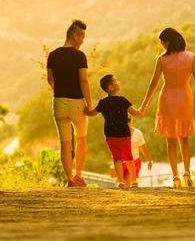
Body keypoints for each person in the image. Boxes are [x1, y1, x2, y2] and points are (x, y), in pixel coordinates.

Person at [140, 27, 195, 188]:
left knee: (170, 141)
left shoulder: (161, 60)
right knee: (184, 139)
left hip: (167, 99)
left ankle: (176, 178)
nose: (162, 45)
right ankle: (187, 173)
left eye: (162, 42)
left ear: (168, 42)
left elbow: (154, 83)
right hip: (185, 98)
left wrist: (144, 105)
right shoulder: (190, 56)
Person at [47, 20, 92, 187]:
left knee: (65, 143)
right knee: (81, 139)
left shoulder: (53, 55)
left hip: (58, 102)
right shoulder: (80, 56)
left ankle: (69, 179)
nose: (82, 41)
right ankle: (79, 175)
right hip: (77, 104)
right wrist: (89, 103)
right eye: (82, 37)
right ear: (75, 35)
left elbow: (50, 80)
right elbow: (84, 82)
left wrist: (60, 93)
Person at [85, 74, 142, 188]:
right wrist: (142, 109)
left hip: (110, 135)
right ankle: (134, 181)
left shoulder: (103, 102)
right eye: (115, 81)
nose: (118, 82)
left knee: (117, 158)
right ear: (110, 87)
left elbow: (92, 113)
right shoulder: (123, 100)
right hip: (124, 134)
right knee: (129, 157)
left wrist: (85, 110)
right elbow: (134, 112)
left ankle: (121, 182)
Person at [122, 116, 153, 186]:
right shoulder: (118, 133)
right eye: (124, 121)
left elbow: (143, 147)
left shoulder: (137, 133)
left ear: (131, 121)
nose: (127, 123)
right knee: (124, 184)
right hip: (122, 162)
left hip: (134, 161)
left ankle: (133, 189)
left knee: (130, 181)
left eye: (128, 120)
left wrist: (149, 160)